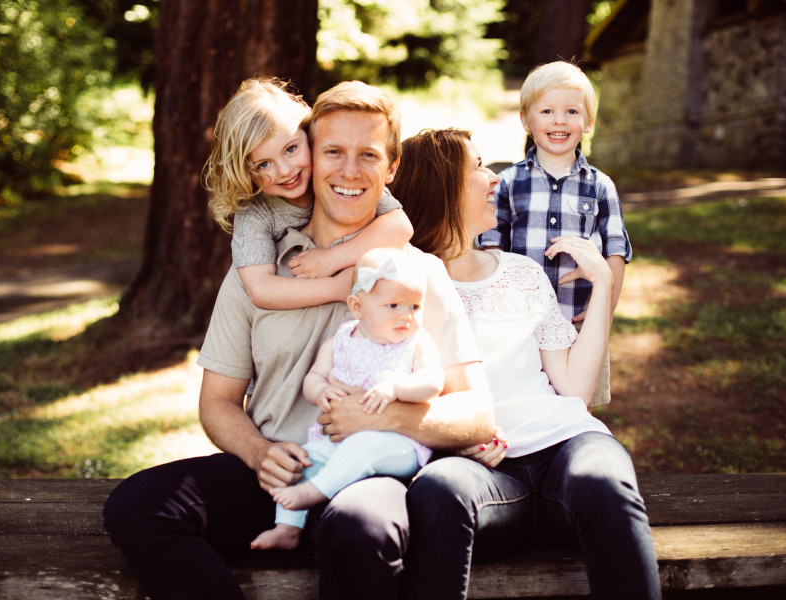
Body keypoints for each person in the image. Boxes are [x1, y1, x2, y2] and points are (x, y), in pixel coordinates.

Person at [103, 84, 494, 600]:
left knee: (364, 529)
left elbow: (477, 413)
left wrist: (383, 417)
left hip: (365, 474)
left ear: (391, 167)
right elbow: (217, 402)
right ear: (313, 151)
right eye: (333, 152)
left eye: (368, 156)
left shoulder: (418, 274)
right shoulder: (259, 273)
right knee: (137, 506)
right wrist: (259, 451)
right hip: (277, 472)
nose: (349, 172)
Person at [390, 129, 661, 600]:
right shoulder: (403, 287)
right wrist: (450, 442)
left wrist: (602, 285)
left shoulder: (521, 272)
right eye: (476, 167)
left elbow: (574, 389)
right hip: (486, 473)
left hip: (564, 449)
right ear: (442, 184)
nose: (493, 178)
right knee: (437, 489)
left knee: (605, 481)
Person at [251, 247, 445, 551]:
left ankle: (314, 493)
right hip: (337, 442)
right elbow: (313, 379)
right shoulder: (339, 340)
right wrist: (322, 391)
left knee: (362, 446)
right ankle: (287, 527)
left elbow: (433, 381)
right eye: (393, 305)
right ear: (357, 307)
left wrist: (398, 387)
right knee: (305, 459)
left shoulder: (417, 343)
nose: (406, 316)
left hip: (398, 444)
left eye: (415, 307)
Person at [479, 61, 632, 406]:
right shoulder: (508, 183)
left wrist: (602, 313)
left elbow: (616, 254)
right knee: (520, 403)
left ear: (588, 122)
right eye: (547, 110)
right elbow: (490, 249)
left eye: (572, 111)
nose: (559, 120)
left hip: (577, 324)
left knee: (575, 410)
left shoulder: (601, 187)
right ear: (526, 120)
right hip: (520, 326)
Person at [202, 77, 413, 310]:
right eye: (263, 164)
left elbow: (400, 226)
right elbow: (260, 289)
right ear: (246, 173)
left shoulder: (331, 176)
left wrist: (332, 259)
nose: (285, 171)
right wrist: (336, 288)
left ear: (309, 137)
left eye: (291, 149)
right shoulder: (255, 213)